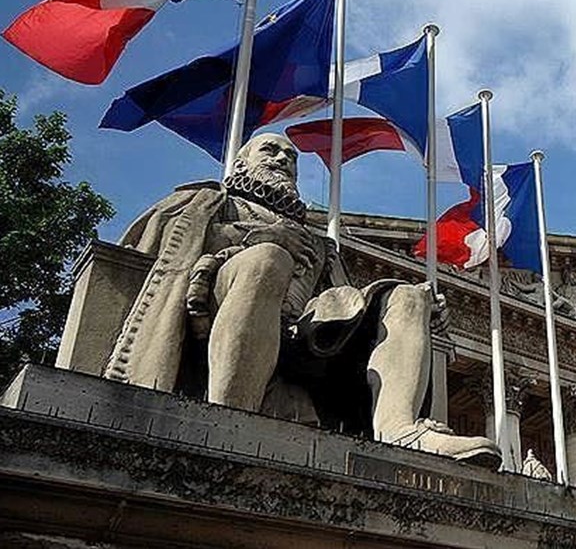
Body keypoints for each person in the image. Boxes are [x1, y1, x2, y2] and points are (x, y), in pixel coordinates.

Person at [102, 133, 498, 464]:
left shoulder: (320, 245)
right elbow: (165, 248)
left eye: (291, 156)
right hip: (217, 305)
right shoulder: (213, 203)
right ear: (240, 164)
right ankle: (228, 419)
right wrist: (259, 238)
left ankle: (399, 430)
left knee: (408, 295)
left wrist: (422, 317)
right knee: (267, 260)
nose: (283, 159)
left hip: (301, 336)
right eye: (270, 151)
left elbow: (340, 305)